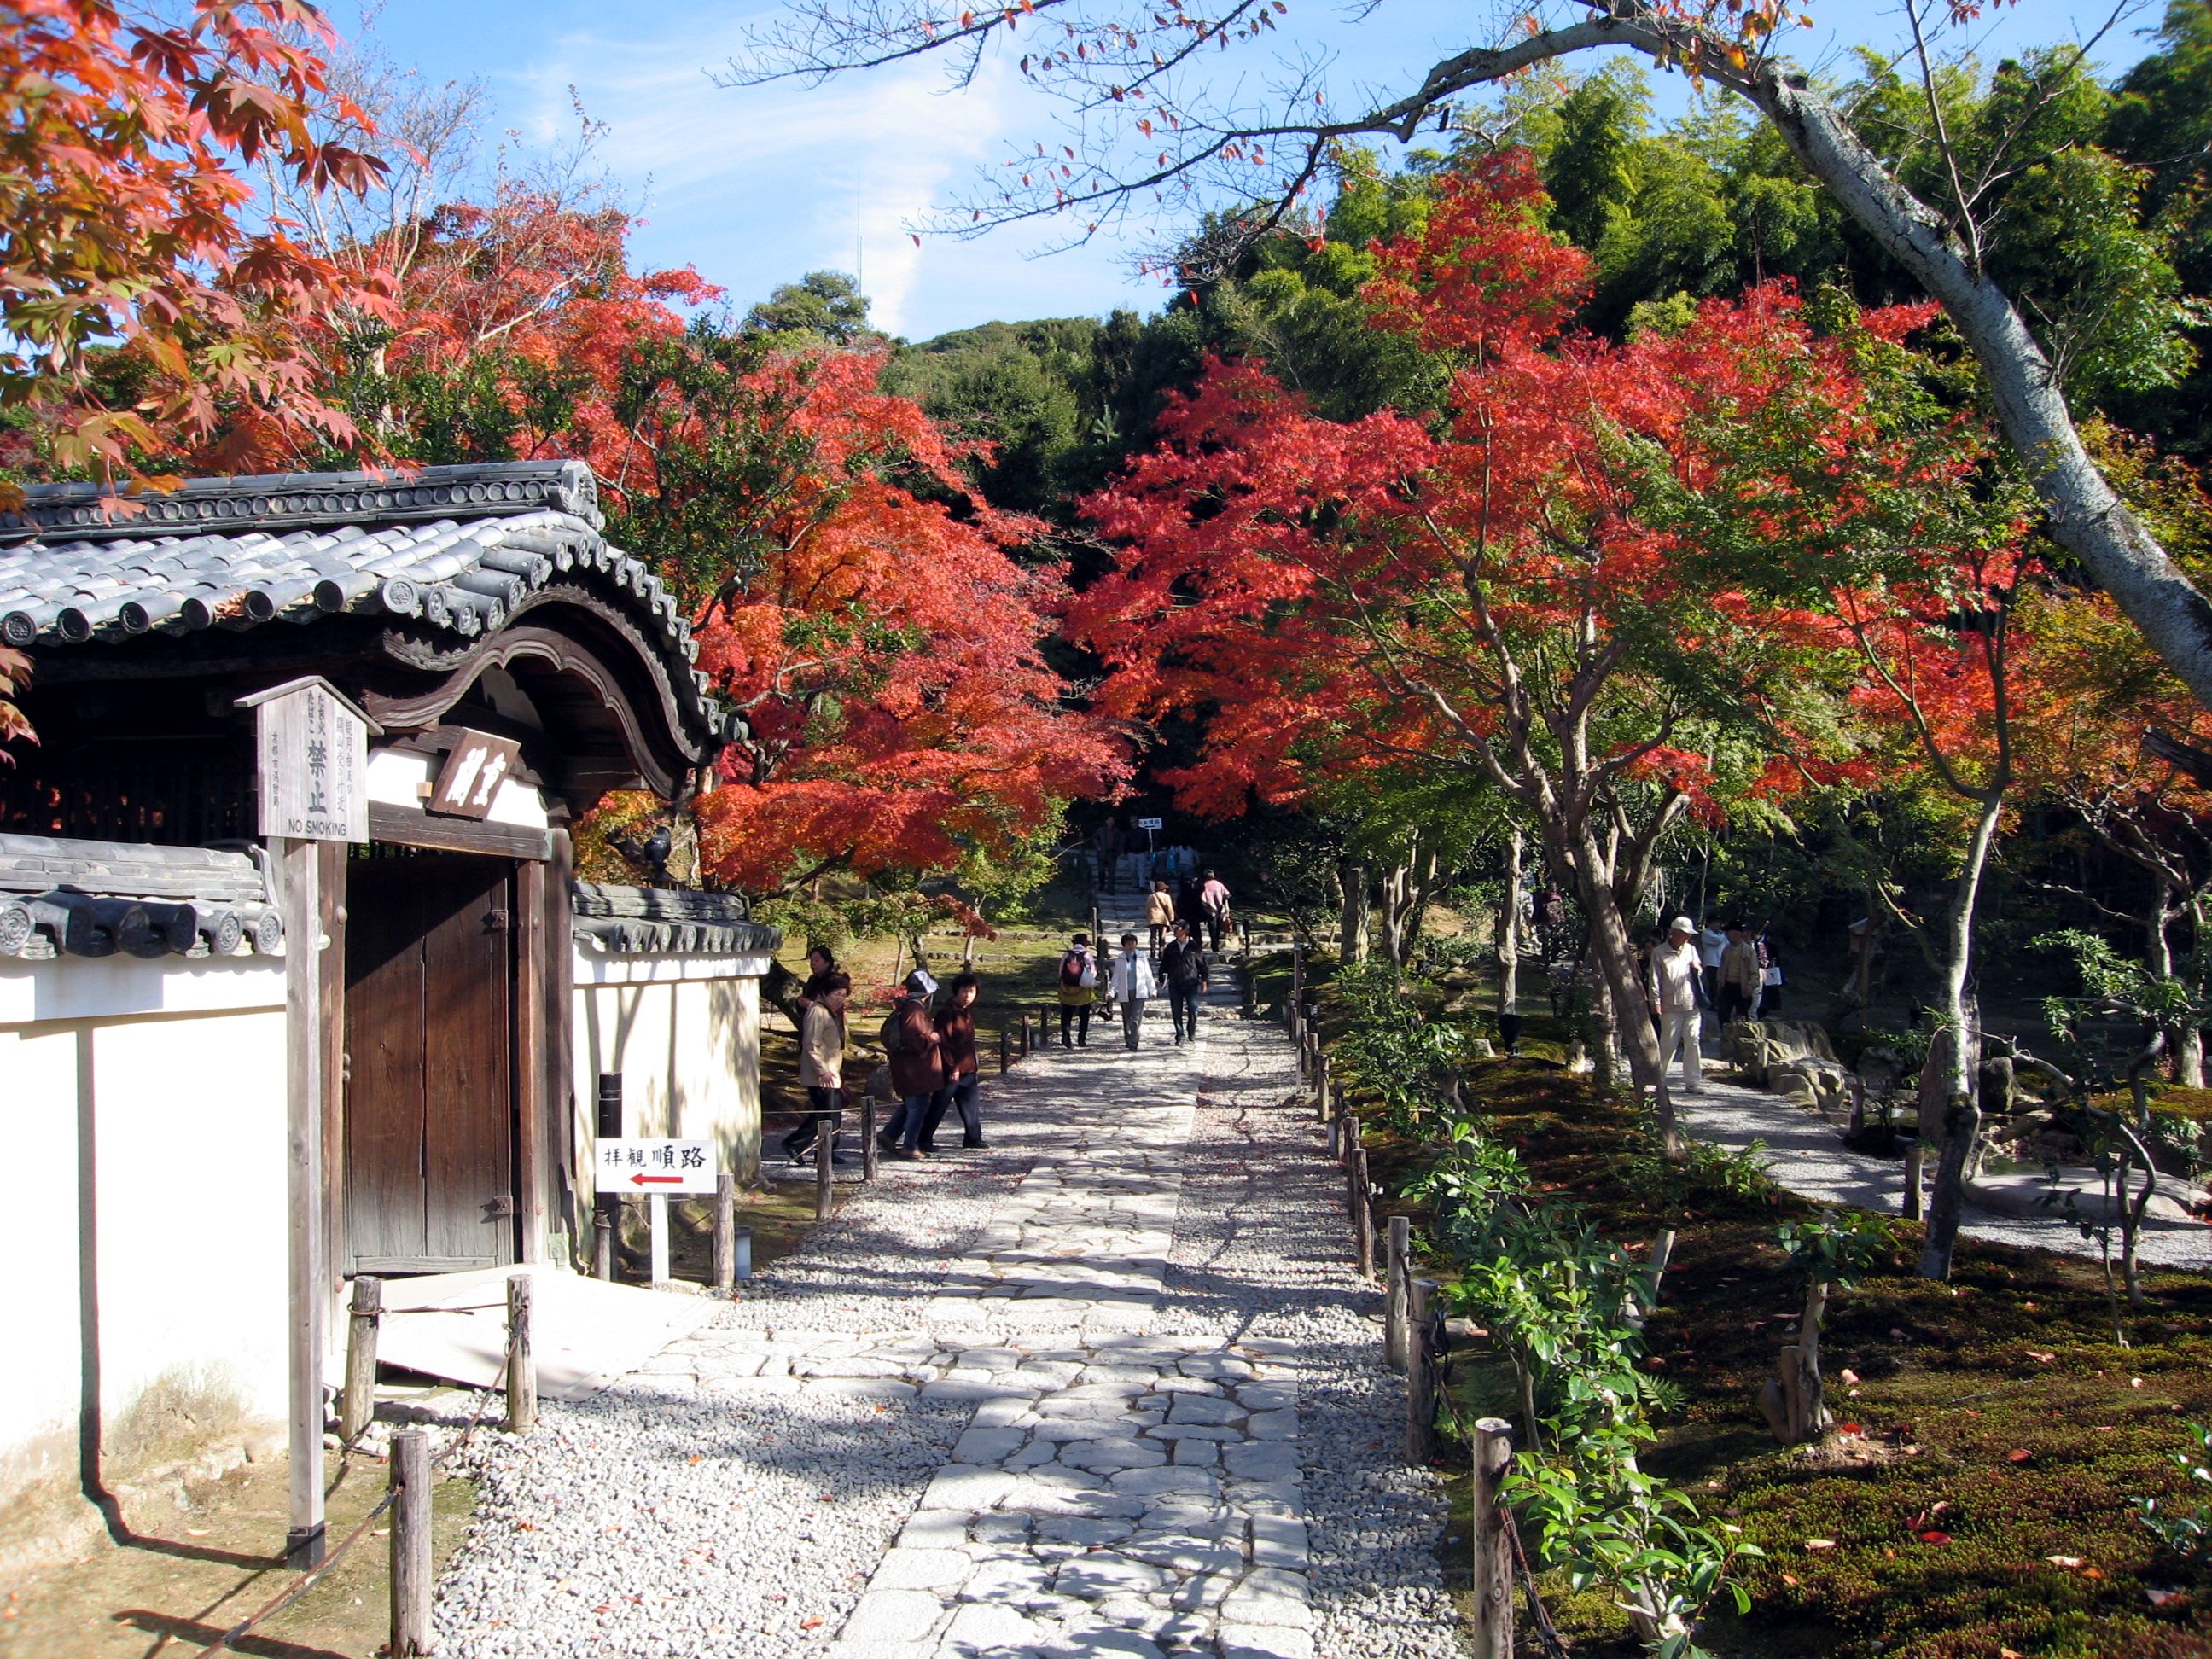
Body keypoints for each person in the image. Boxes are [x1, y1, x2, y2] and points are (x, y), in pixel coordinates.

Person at [783, 971, 851, 1164]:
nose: (840, 999)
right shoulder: (817, 1012)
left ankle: (826, 1149)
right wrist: (822, 1069)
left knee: (833, 1110)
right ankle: (795, 1143)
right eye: (836, 994)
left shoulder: (828, 1012)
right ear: (825, 993)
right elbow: (812, 1043)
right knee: (825, 1111)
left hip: (831, 1071)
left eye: (843, 995)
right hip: (821, 1073)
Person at [879, 969, 945, 1159]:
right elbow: (913, 1042)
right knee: (918, 1106)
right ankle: (910, 1145)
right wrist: (931, 1038)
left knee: (912, 1104)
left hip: (912, 1066)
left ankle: (889, 1135)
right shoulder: (914, 1010)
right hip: (914, 1068)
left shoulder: (909, 1007)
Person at [920, 971, 987, 1151]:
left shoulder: (966, 1012)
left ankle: (973, 1137)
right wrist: (953, 1067)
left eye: (972, 991)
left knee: (971, 1104)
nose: (968, 996)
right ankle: (924, 1139)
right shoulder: (947, 1012)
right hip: (951, 1069)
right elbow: (945, 1043)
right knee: (939, 1105)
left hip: (968, 1067)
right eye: (964, 991)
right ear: (956, 991)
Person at [1648, 917, 1707, 1096]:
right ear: (1674, 933)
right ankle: (1658, 1080)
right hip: (1670, 1005)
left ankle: (1693, 1082)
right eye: (1685, 934)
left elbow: (1699, 972)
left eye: (1689, 934)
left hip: (1691, 1003)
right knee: (1668, 1044)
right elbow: (1654, 979)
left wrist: (1697, 968)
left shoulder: (1691, 950)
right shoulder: (1659, 952)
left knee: (1693, 1040)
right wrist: (1655, 1001)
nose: (1688, 937)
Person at [1159, 920, 1209, 1044]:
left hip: (1191, 983)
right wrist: (1161, 979)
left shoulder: (1194, 947)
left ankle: (1191, 1029)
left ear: (1185, 930)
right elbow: (1164, 965)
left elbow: (1202, 965)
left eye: (1178, 928)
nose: (1175, 930)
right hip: (1175, 983)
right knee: (1176, 1010)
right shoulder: (1171, 947)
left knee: (1193, 1008)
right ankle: (1180, 1035)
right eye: (1174, 928)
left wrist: (1204, 980)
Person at [1108, 932, 1157, 1050]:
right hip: (1125, 991)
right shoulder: (1120, 959)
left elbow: (1148, 975)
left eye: (1133, 943)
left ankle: (1133, 1042)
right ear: (1124, 945)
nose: (1131, 946)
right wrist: (1112, 991)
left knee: (1136, 1018)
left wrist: (1153, 990)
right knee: (1127, 1018)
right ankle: (1128, 1038)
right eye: (1128, 944)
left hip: (1139, 992)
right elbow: (1116, 977)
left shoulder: (1141, 957)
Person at [1057, 933, 1098, 1048]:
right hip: (1083, 990)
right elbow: (1093, 972)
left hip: (1067, 989)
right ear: (1085, 944)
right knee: (1084, 1016)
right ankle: (1081, 1039)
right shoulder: (1087, 956)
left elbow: (1060, 972)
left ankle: (1066, 1037)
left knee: (1066, 1015)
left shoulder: (1066, 955)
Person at [1719, 924, 1764, 1023]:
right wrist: (1720, 982)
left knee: (1741, 1016)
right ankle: (1725, 1032)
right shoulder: (1726, 950)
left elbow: (1754, 971)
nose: (1727, 935)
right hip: (1728, 985)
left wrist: (1751, 985)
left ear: (1736, 934)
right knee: (1723, 1013)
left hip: (1742, 986)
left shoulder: (1749, 950)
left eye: (1729, 933)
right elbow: (1721, 968)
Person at [1697, 919, 1728, 1008]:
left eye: (1718, 923)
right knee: (1713, 984)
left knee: (1719, 983)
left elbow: (1727, 944)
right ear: (1710, 924)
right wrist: (1724, 934)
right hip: (1711, 962)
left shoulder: (1720, 934)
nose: (1718, 925)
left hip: (1720, 962)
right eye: (1715, 923)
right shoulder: (1707, 933)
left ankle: (1718, 1002)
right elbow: (1717, 941)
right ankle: (1712, 1003)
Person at [1200, 869, 1232, 952]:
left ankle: (1214, 944)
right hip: (1220, 910)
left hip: (1210, 911)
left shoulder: (1204, 886)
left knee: (1212, 928)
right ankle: (1216, 943)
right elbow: (1226, 896)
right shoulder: (1220, 884)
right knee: (1218, 928)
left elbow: (1202, 899)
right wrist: (1227, 909)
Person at [1146, 880, 1177, 954]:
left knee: (1153, 935)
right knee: (1162, 936)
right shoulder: (1166, 896)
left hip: (1153, 918)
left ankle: (1152, 950)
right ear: (1162, 889)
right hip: (1163, 919)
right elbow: (1169, 908)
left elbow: (1148, 908)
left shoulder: (1151, 896)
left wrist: (1148, 918)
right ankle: (1161, 950)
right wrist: (1171, 919)